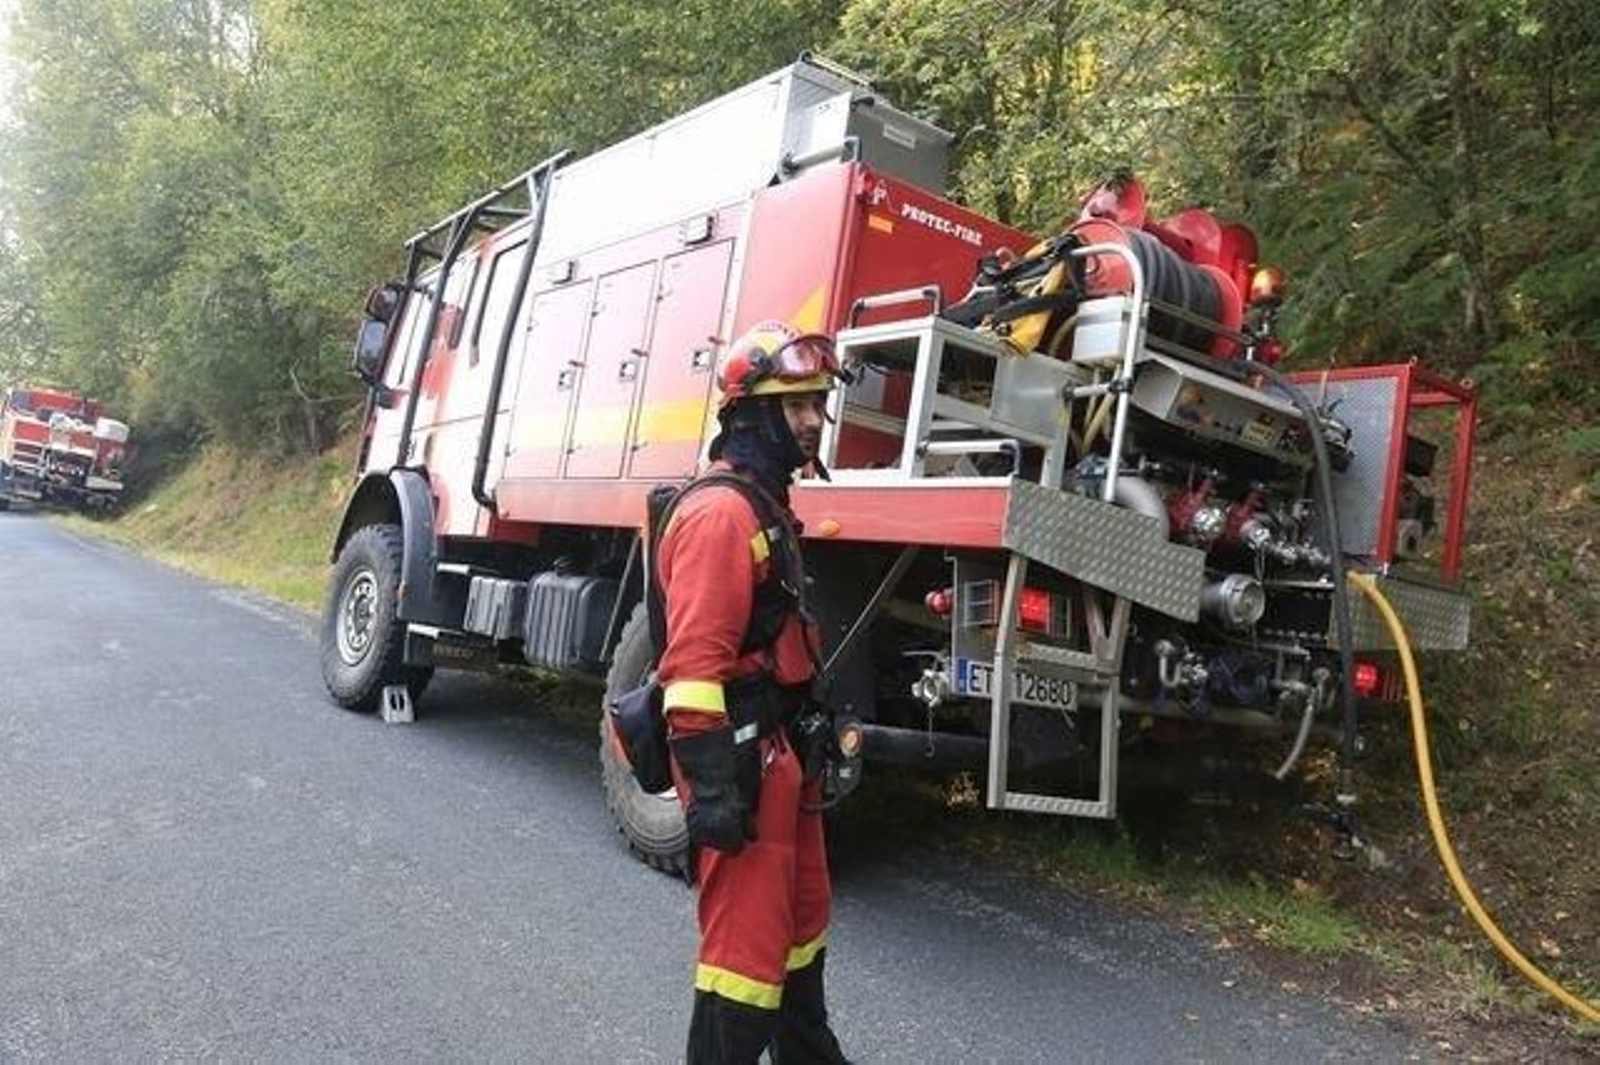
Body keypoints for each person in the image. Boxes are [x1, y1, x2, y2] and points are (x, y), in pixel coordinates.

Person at [654, 320, 850, 1064]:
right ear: (752, 412)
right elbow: (693, 668)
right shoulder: (720, 514)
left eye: (817, 403)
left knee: (801, 932)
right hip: (740, 763)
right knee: (742, 962)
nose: (812, 420)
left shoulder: (765, 505)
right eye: (796, 404)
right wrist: (712, 792)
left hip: (782, 760)